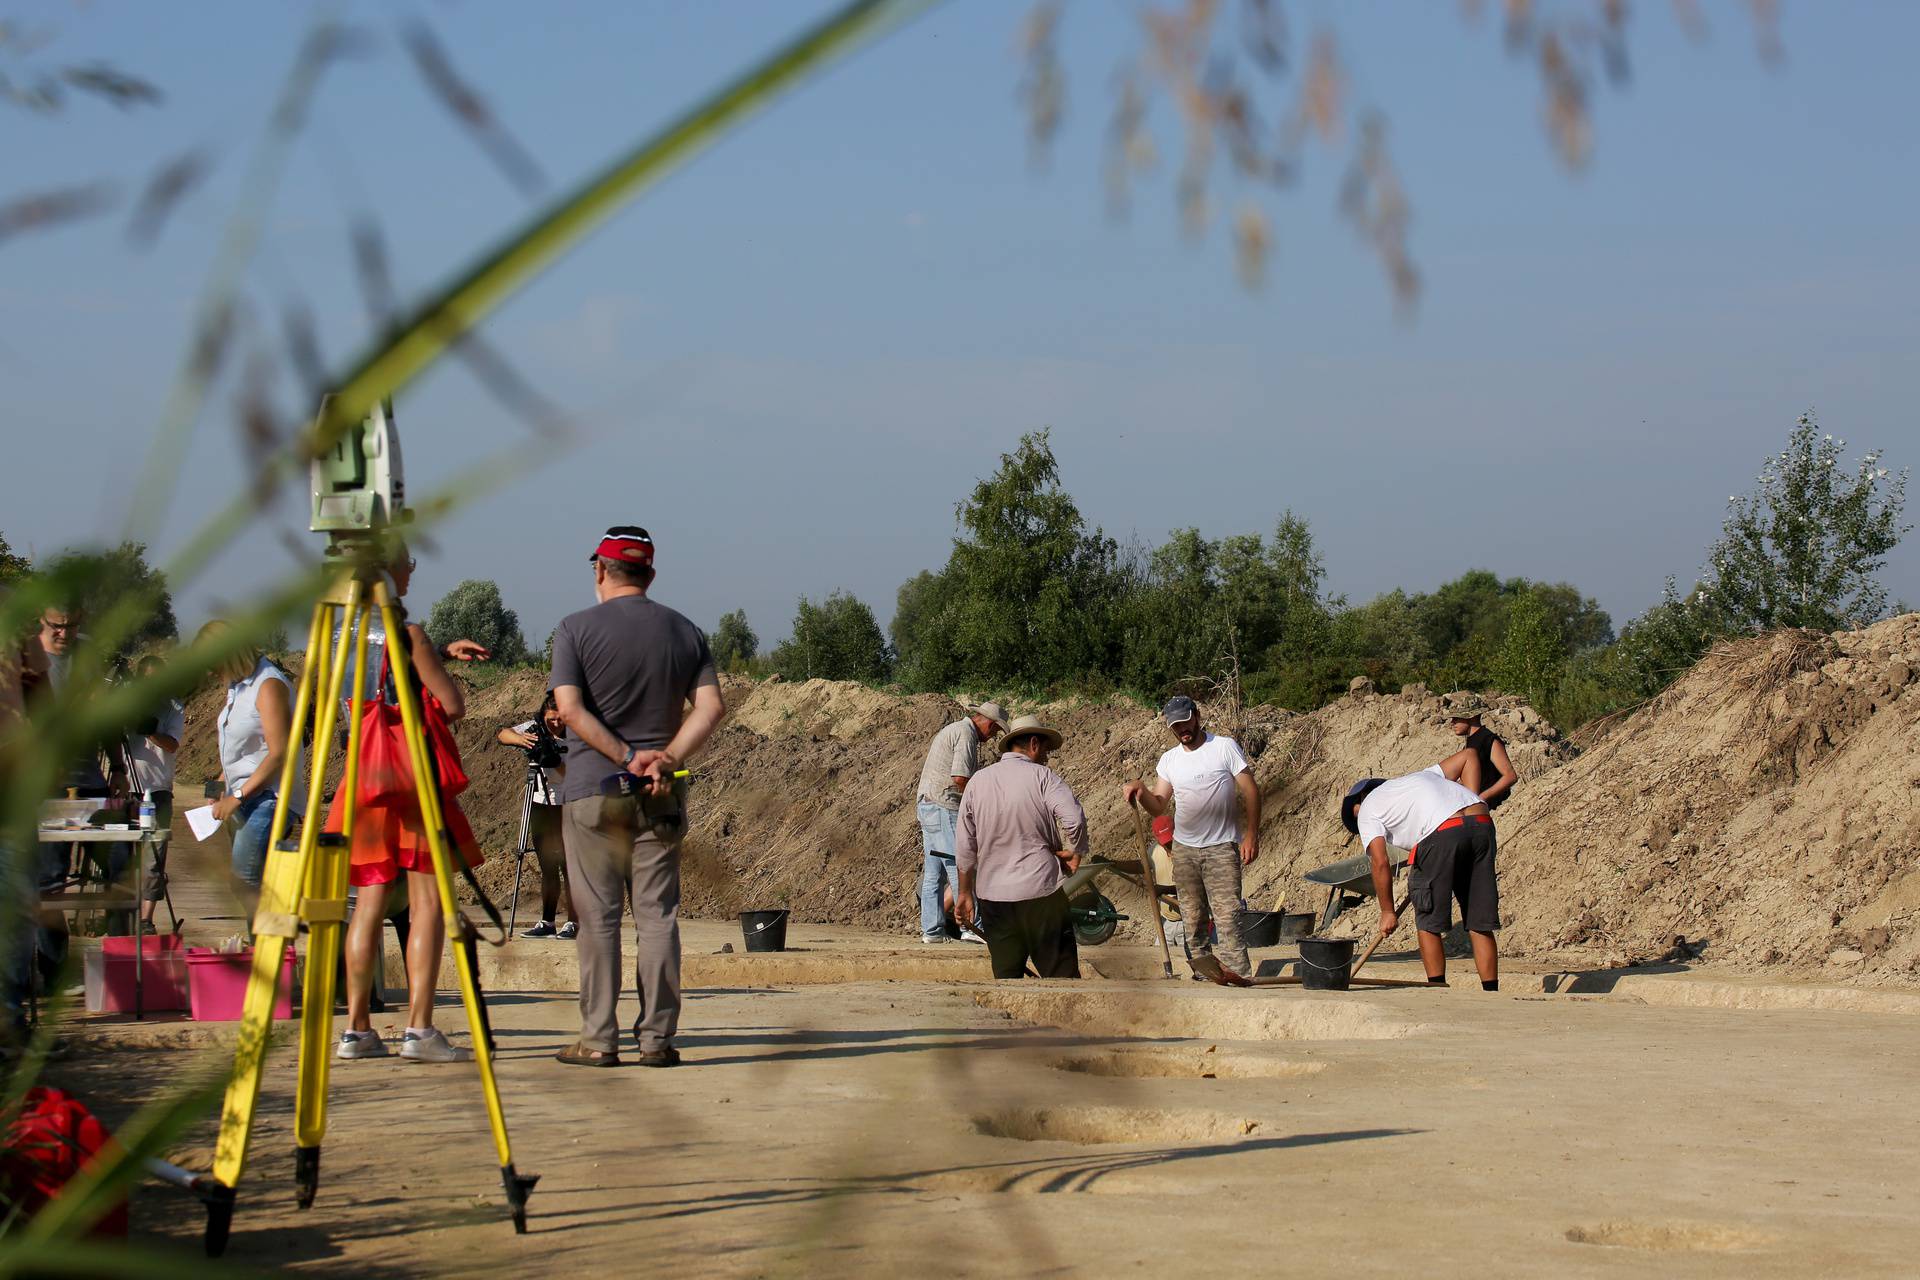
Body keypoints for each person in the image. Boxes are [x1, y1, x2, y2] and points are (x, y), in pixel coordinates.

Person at [550, 527, 725, 1069]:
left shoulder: (574, 630)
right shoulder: (685, 631)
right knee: (657, 918)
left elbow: (571, 711)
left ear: (600, 570)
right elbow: (710, 707)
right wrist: (664, 758)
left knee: (597, 920)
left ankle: (599, 1041)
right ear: (649, 574)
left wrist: (627, 757)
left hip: (592, 793)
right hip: (661, 795)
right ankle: (657, 1041)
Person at [334, 542, 489, 1064]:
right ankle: (419, 1029)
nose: (411, 572)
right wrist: (433, 665)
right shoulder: (410, 633)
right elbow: (452, 704)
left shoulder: (341, 633)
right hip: (413, 786)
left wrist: (437, 653)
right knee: (426, 905)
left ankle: (356, 1030)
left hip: (366, 783)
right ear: (391, 570)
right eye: (406, 564)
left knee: (368, 905)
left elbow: (377, 683)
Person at [1121, 695, 1260, 980]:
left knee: (1227, 915)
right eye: (1176, 726)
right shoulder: (1169, 760)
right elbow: (1159, 805)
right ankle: (1203, 971)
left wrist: (1251, 836)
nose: (1182, 729)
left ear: (1196, 716)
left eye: (1185, 722)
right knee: (1192, 916)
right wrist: (1141, 790)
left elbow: (1251, 790)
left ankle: (1238, 974)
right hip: (1185, 849)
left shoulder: (1223, 747)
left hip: (1221, 846)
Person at [1341, 766, 1500, 991]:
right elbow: (1468, 758)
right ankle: (1491, 991)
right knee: (1479, 921)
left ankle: (1437, 990)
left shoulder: (1367, 809)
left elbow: (1380, 862)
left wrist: (1387, 911)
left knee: (1428, 920)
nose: (1357, 818)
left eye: (1353, 812)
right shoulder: (1416, 779)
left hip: (1441, 832)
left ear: (1361, 799)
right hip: (1482, 823)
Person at [954, 715, 1088, 980]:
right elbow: (1074, 819)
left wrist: (965, 892)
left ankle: (1011, 1022)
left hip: (994, 898)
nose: (1046, 756)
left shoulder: (978, 782)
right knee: (1062, 979)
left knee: (1007, 978)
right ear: (1034, 744)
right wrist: (1076, 851)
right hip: (1041, 895)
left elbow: (965, 846)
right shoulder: (1043, 777)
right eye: (1046, 750)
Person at [200, 621, 304, 899]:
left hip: (269, 798)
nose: (211, 673)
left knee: (245, 880)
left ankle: (268, 941)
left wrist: (236, 796)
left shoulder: (268, 685)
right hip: (246, 797)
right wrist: (221, 785)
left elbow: (278, 753)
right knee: (254, 885)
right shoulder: (239, 686)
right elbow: (245, 749)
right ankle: (263, 942)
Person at [913, 700, 1007, 944]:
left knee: (934, 871)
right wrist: (979, 802)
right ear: (988, 722)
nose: (993, 736)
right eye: (995, 730)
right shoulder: (966, 735)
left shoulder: (956, 730)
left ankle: (932, 932)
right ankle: (971, 928)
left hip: (928, 803)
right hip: (944, 805)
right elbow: (960, 778)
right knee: (959, 865)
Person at [498, 692, 576, 939]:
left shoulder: (577, 731)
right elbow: (502, 734)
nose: (555, 724)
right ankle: (547, 922)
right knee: (548, 865)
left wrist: (554, 759)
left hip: (568, 803)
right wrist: (524, 741)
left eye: (559, 719)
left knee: (569, 865)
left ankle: (574, 922)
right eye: (550, 719)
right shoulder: (537, 728)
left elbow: (571, 774)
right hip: (540, 802)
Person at [123, 653, 183, 929]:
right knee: (122, 858)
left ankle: (145, 918)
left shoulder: (173, 707)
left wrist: (151, 732)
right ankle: (121, 914)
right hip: (127, 790)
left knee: (153, 858)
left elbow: (172, 744)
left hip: (158, 791)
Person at [1437, 694, 1518, 811]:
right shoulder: (1472, 740)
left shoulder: (1488, 739)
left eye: (1457, 718)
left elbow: (1510, 776)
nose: (1452, 722)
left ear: (1471, 717)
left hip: (1493, 808)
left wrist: (1481, 798)